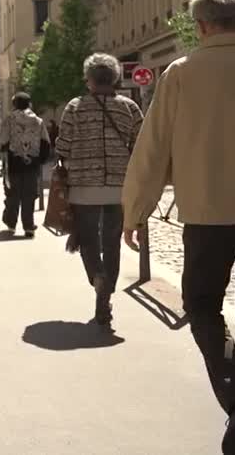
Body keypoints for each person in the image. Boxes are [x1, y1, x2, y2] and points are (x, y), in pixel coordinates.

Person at [121, 0, 235, 452]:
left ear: (203, 25)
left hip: (208, 213)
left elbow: (152, 151)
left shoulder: (181, 74)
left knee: (204, 303)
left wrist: (135, 211)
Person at [54, 53, 143, 326]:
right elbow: (141, 144)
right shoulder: (129, 107)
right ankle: (106, 295)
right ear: (115, 77)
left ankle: (97, 277)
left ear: (89, 79)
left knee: (89, 240)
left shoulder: (75, 107)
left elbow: (63, 145)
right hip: (119, 185)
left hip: (84, 186)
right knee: (112, 241)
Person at [0, 92, 50, 237]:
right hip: (31, 163)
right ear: (29, 104)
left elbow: (3, 142)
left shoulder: (9, 119)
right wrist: (40, 160)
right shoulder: (38, 121)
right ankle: (28, 226)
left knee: (12, 194)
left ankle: (11, 224)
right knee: (29, 195)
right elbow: (45, 142)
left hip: (14, 162)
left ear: (14, 104)